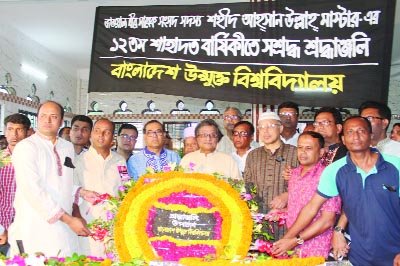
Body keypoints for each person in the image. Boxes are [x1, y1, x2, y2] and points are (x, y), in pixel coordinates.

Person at [273, 116, 400, 266]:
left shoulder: (395, 165)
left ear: (371, 136)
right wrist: (288, 239)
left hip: (394, 252)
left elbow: (327, 219)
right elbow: (312, 207)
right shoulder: (334, 170)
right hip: (358, 254)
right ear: (343, 139)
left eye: (361, 131)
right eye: (350, 132)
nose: (356, 136)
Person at [8, 101, 97, 256]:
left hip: (63, 231)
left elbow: (61, 184)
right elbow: (33, 191)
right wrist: (69, 220)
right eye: (43, 116)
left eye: (53, 116)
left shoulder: (66, 147)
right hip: (34, 228)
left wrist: (81, 192)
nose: (48, 120)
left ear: (62, 121)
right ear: (38, 119)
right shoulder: (26, 147)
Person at [268, 131, 341, 258]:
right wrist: (282, 212)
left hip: (315, 248)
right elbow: (299, 206)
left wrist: (294, 240)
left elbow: (327, 220)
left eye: (309, 148)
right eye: (300, 148)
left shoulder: (327, 177)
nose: (303, 152)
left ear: (321, 152)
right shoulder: (294, 174)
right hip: (291, 246)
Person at [74, 118, 127, 256]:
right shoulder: (79, 161)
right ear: (91, 134)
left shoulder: (120, 160)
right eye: (97, 131)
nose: (101, 135)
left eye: (106, 132)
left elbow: (126, 187)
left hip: (113, 225)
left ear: (112, 138)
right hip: (89, 225)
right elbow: (71, 193)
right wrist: (79, 218)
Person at [244, 111, 298, 239]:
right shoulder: (253, 155)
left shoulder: (295, 153)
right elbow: (247, 188)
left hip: (288, 222)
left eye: (270, 126)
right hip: (260, 223)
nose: (265, 131)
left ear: (280, 128)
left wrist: (289, 196)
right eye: (261, 127)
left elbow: (308, 187)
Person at [0, 114, 31, 254]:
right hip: (2, 224)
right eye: (10, 129)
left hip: (26, 224)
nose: (14, 134)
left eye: (19, 130)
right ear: (5, 132)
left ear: (28, 132)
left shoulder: (34, 159)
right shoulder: (0, 158)